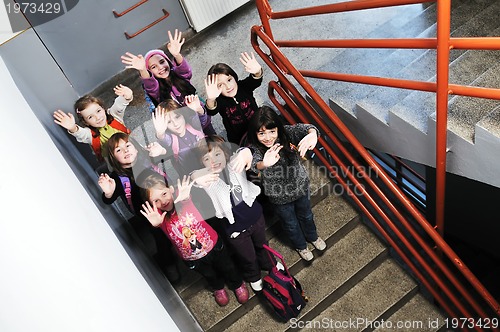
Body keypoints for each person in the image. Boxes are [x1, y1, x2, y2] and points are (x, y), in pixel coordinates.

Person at [139, 172, 249, 306]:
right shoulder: (158, 217)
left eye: (164, 194)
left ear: (171, 190)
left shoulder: (183, 199)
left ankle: (237, 283)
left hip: (214, 246)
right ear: (151, 205)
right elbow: (158, 222)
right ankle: (218, 287)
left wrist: (186, 192)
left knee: (228, 267)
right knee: (209, 275)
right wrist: (156, 225)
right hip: (193, 259)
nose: (163, 201)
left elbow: (187, 193)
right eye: (156, 201)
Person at [97, 132, 181, 282]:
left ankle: (188, 250)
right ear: (113, 157)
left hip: (169, 203)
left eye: (128, 145)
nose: (125, 151)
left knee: (182, 227)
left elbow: (170, 154)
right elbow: (108, 199)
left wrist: (162, 150)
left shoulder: (149, 158)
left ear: (137, 148)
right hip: (149, 217)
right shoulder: (117, 177)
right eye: (118, 150)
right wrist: (109, 193)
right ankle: (170, 265)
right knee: (162, 241)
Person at [246, 106, 327, 261]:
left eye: (271, 131)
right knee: (290, 224)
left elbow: (307, 128)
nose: (268, 137)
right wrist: (264, 164)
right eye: (261, 133)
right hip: (279, 196)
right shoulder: (255, 149)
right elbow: (253, 165)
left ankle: (313, 237)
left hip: (300, 187)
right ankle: (301, 246)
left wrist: (313, 134)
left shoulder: (288, 134)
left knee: (307, 216)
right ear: (255, 133)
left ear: (278, 128)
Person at [194, 135, 274, 291]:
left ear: (225, 153)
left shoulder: (234, 165)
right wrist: (195, 176)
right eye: (207, 159)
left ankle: (269, 263)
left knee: (262, 245)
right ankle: (253, 275)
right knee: (247, 256)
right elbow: (194, 178)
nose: (213, 161)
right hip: (235, 229)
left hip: (255, 217)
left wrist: (246, 153)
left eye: (217, 154)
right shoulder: (208, 180)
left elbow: (245, 152)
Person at [121, 29, 215, 135]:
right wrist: (142, 69)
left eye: (162, 62)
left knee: (214, 141)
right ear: (150, 72)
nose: (160, 67)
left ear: (168, 61)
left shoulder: (179, 75)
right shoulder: (156, 90)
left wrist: (176, 54)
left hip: (199, 116)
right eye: (153, 67)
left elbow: (185, 70)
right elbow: (150, 85)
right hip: (180, 126)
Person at [53, 84, 133, 162]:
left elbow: (119, 106)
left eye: (98, 111)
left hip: (132, 150)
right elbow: (81, 134)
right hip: (116, 164)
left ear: (103, 108)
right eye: (90, 117)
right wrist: (73, 128)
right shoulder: (90, 134)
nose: (98, 118)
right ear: (85, 122)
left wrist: (126, 97)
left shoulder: (114, 116)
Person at [204, 52, 263, 145]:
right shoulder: (220, 100)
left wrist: (257, 71)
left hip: (260, 127)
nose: (228, 86)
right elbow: (211, 111)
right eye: (220, 85)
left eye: (229, 80)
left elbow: (255, 81)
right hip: (240, 139)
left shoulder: (243, 87)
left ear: (234, 77)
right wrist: (211, 99)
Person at [151, 96, 208, 177]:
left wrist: (199, 109)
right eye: (169, 122)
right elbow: (164, 139)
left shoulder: (193, 126)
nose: (175, 124)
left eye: (177, 117)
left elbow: (202, 119)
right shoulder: (171, 139)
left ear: (183, 115)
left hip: (211, 166)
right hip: (193, 177)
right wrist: (160, 132)